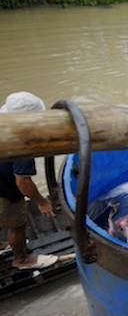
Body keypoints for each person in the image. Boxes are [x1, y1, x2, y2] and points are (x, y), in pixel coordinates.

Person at [0, 92, 59, 270]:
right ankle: (22, 260)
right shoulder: (23, 142)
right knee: (18, 225)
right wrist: (41, 202)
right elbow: (23, 183)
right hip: (4, 190)